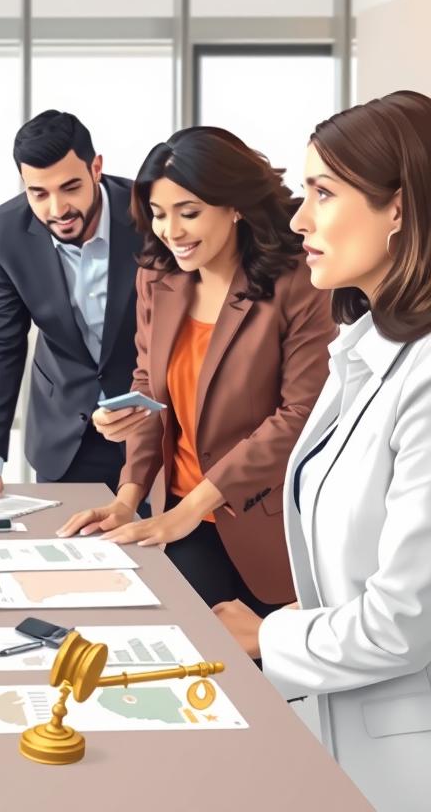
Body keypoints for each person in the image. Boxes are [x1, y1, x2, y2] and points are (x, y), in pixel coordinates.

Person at [215, 91, 431, 812]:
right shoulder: (366, 350)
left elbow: (404, 621)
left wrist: (268, 634)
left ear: (398, 209)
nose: (300, 219)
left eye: (323, 192)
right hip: (345, 730)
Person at [57, 127, 336, 615]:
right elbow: (149, 391)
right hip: (186, 520)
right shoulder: (158, 276)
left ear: (234, 206)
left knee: (263, 685)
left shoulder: (299, 281)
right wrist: (129, 495)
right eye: (159, 215)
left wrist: (191, 509)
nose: (172, 231)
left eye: (189, 213)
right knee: (193, 670)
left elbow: (300, 415)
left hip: (266, 524)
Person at [0, 109, 143, 504]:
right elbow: (3, 344)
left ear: (96, 167)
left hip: (154, 431)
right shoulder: (3, 232)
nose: (57, 209)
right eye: (39, 193)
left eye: (70, 187)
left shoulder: (148, 214)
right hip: (65, 436)